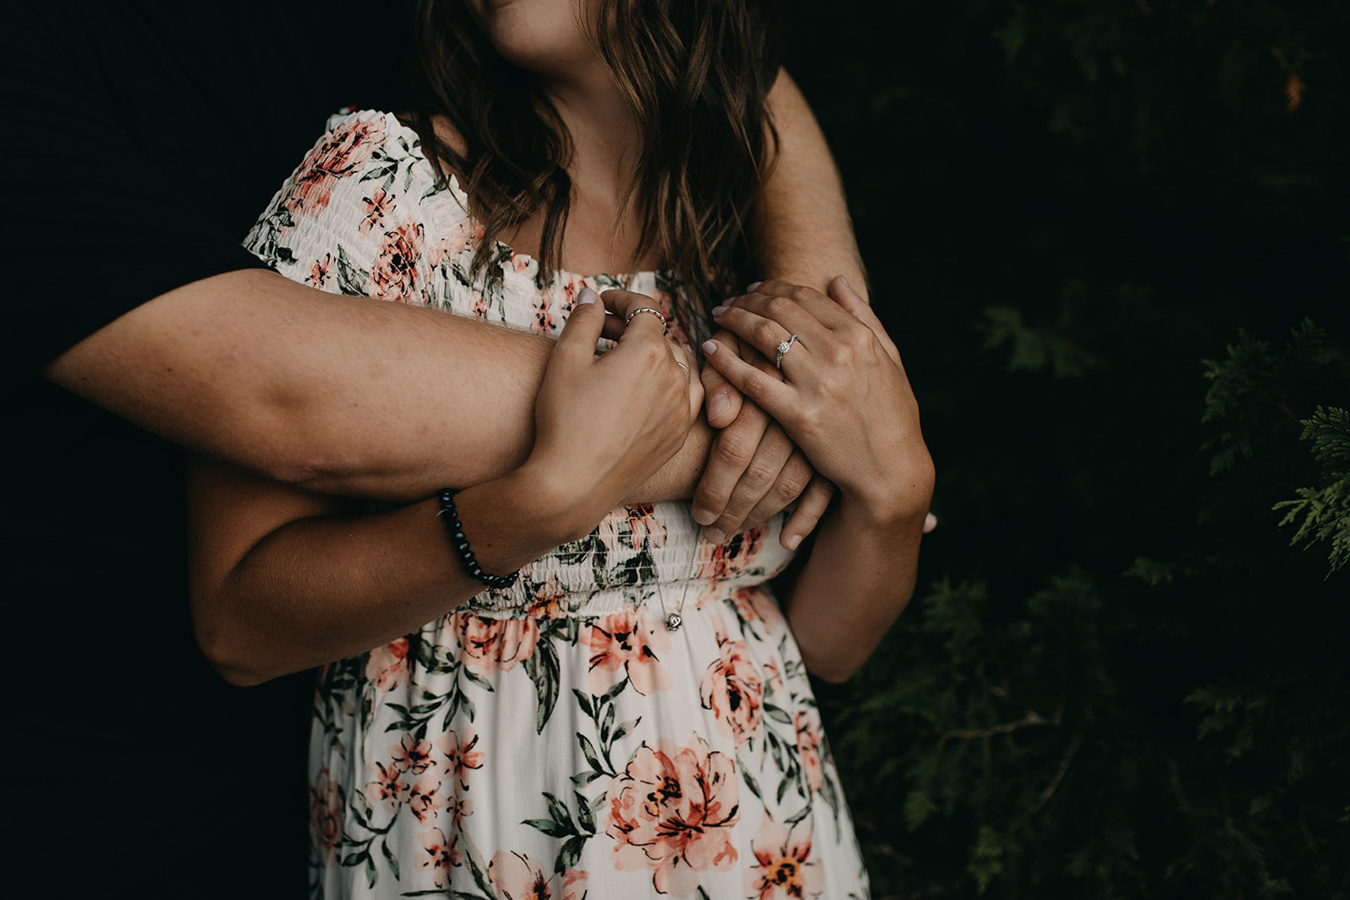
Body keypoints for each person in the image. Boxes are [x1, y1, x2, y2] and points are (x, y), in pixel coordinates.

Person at [3, 1, 894, 896]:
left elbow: (826, 645)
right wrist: (557, 494)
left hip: (762, 846)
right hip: (470, 831)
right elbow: (243, 588)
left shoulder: (738, 223)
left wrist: (893, 485)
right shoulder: (384, 190)